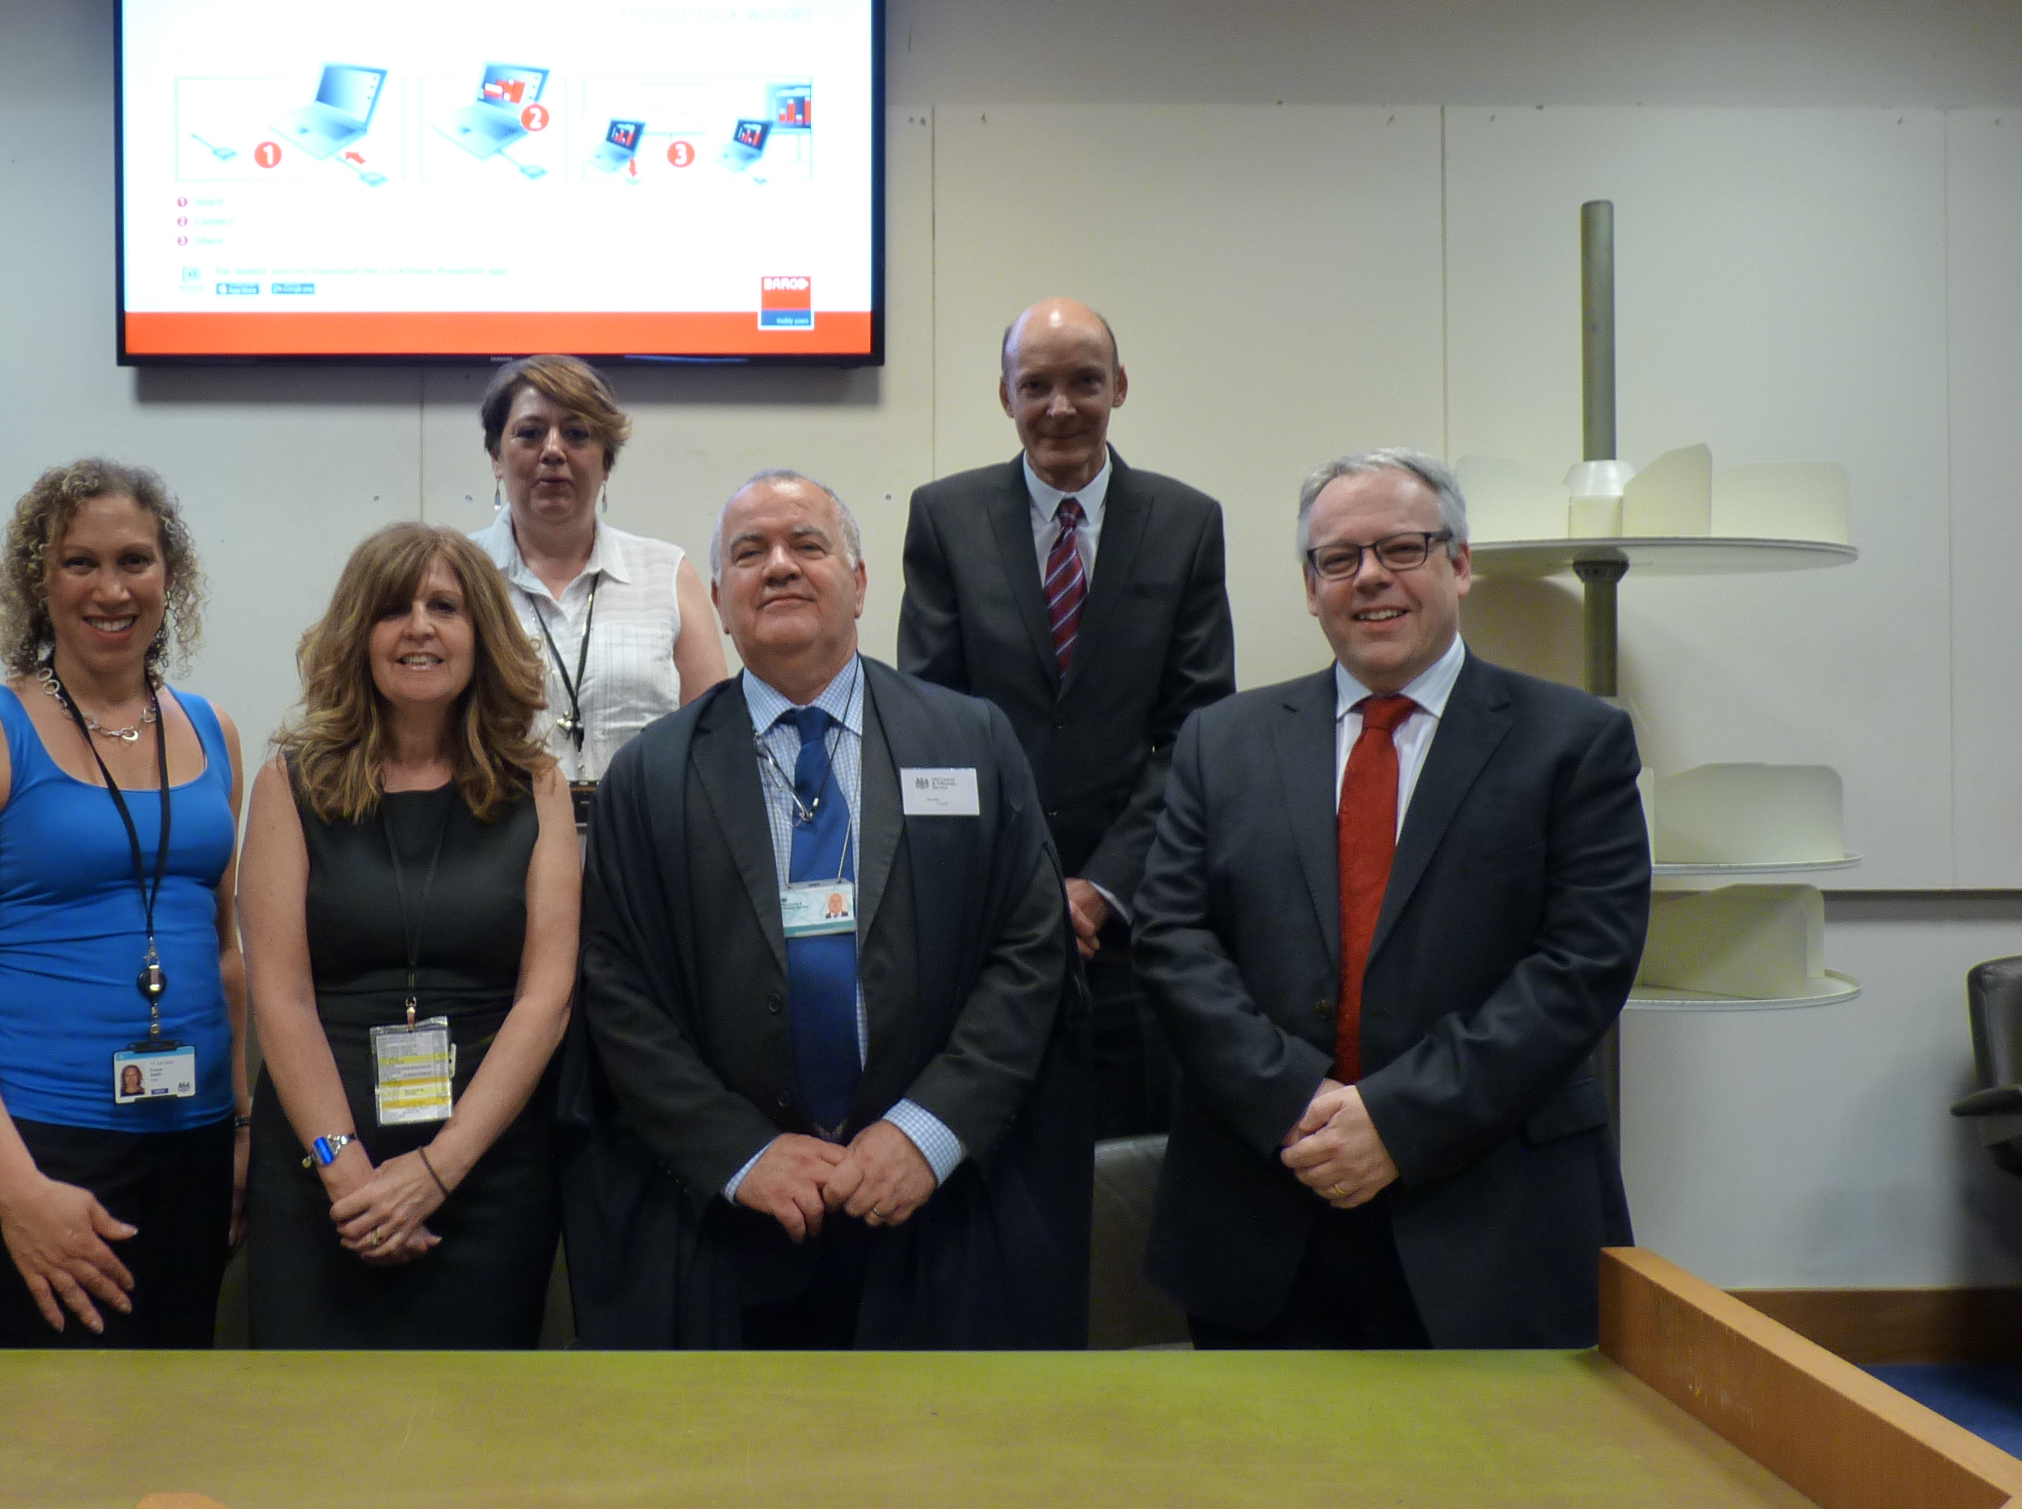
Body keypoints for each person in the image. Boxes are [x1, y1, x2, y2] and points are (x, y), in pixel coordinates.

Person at [1133, 448, 1649, 1349]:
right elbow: (1173, 941)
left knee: (1498, 1485)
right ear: (1309, 586)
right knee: (1261, 1484)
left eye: (1402, 549)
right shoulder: (1222, 742)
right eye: (1339, 558)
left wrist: (1398, 1120)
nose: (1370, 578)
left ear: (1459, 563)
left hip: (1491, 1210)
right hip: (1266, 1204)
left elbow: (1581, 965)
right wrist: (1298, 1102)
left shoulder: (1576, 742)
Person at [576, 469, 1088, 1348]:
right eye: (749, 553)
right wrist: (741, 1153)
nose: (778, 567)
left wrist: (925, 1133)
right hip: (731, 1230)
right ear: (718, 601)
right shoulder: (649, 778)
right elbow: (619, 993)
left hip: (943, 1211)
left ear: (858, 583)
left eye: (807, 545)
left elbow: (1031, 950)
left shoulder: (970, 742)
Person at [0, 458, 247, 1347]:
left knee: (173, 1433)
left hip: (194, 1139)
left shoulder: (214, 731)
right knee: (49, 1438)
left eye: (135, 560)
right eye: (79, 563)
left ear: (172, 577)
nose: (111, 589)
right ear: (37, 584)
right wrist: (17, 1192)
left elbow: (227, 950)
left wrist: (241, 1129)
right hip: (41, 1147)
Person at [899, 298, 1234, 1139]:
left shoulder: (1187, 522)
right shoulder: (945, 516)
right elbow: (930, 721)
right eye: (1035, 385)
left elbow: (1196, 731)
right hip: (988, 914)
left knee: (1121, 1182)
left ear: (1118, 387)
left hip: (1132, 921)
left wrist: (1098, 891)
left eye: (1084, 382)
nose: (1060, 407)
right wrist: (1029, 892)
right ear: (1004, 396)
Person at [239, 523, 579, 1347]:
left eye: (444, 606)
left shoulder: (536, 784)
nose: (419, 627)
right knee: (311, 1446)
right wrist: (347, 1168)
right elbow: (279, 997)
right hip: (324, 1175)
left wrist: (438, 1169)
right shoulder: (291, 780)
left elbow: (546, 997)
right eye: (393, 608)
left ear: (481, 634)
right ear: (359, 633)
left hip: (486, 1174)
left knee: (477, 1446)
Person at [467, 354, 725, 795]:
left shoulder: (667, 575)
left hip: (645, 849)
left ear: (606, 463)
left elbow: (717, 744)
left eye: (577, 434)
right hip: (495, 844)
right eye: (530, 433)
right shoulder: (456, 577)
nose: (553, 450)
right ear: (496, 456)